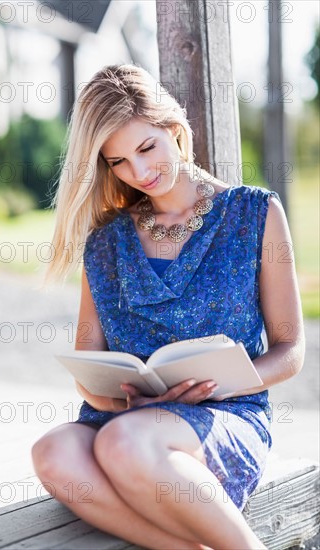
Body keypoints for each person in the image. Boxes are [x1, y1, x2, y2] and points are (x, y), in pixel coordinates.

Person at [31, 63, 305, 550]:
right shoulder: (105, 241)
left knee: (124, 442)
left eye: (146, 148)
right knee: (52, 452)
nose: (138, 173)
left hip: (224, 417)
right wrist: (123, 404)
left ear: (173, 131)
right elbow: (86, 370)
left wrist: (213, 387)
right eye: (117, 162)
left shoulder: (254, 212)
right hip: (124, 420)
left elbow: (291, 350)